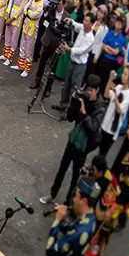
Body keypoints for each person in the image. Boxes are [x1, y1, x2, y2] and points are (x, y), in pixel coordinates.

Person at [42, 74, 103, 205]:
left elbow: (93, 130)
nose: (89, 93)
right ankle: (52, 194)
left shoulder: (99, 108)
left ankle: (67, 203)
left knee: (75, 176)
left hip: (83, 147)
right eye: (88, 89)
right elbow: (70, 118)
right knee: (62, 169)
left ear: (97, 90)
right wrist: (74, 102)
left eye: (92, 91)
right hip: (73, 141)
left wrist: (85, 114)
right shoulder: (83, 99)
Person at [100, 67, 129, 158]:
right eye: (123, 73)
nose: (123, 76)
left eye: (126, 74)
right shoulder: (118, 87)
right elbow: (106, 94)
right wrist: (110, 80)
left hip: (112, 128)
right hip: (105, 123)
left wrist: (115, 93)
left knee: (103, 153)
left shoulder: (128, 95)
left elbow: (119, 110)